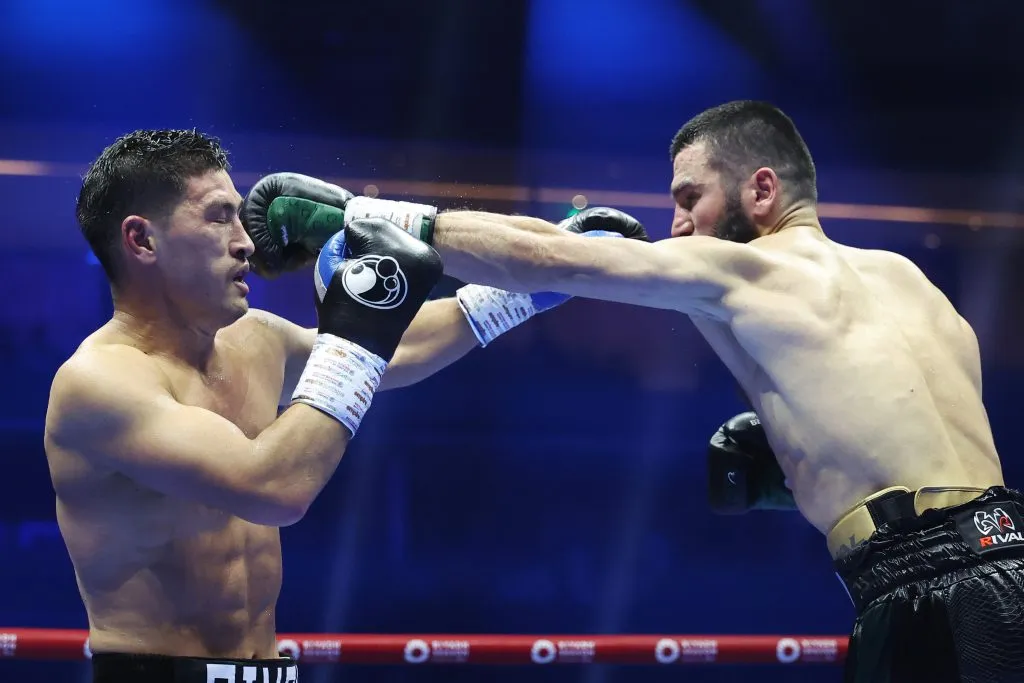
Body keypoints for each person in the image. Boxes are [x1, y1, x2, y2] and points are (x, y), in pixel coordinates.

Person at [257, 101, 1024, 682]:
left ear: (762, 188)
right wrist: (811, 471)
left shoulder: (748, 269)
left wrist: (360, 213)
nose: (678, 226)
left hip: (929, 593)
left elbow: (543, 256)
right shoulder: (909, 280)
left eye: (691, 198)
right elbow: (931, 450)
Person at [43, 130, 632, 683]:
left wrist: (528, 290)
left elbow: (394, 354)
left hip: (271, 668)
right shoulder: (100, 382)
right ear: (142, 240)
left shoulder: (255, 340)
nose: (246, 240)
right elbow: (272, 488)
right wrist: (354, 335)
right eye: (218, 216)